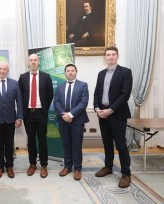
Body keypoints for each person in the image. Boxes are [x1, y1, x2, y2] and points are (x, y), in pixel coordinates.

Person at [93, 46, 133, 188]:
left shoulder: (125, 72)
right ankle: (108, 167)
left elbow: (125, 95)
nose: (110, 57)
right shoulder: (101, 74)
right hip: (102, 114)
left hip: (117, 114)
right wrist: (97, 108)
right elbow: (97, 93)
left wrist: (110, 110)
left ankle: (126, 174)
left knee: (121, 145)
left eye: (113, 54)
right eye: (108, 55)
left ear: (117, 56)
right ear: (105, 57)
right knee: (107, 143)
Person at [18, 53, 53, 178]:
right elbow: (19, 96)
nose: (33, 62)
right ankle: (32, 164)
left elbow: (50, 95)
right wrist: (21, 114)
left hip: (41, 113)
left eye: (35, 60)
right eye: (31, 60)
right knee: (31, 140)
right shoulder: (22, 77)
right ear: (28, 63)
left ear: (39, 62)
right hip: (28, 114)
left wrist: (44, 109)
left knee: (42, 140)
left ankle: (44, 165)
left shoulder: (46, 77)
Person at [53, 64, 89, 180]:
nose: (70, 72)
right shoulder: (60, 87)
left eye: (72, 70)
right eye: (68, 71)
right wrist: (64, 114)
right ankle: (67, 166)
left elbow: (84, 103)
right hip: (63, 121)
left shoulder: (83, 85)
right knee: (66, 144)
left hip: (77, 120)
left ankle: (77, 169)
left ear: (76, 72)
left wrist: (71, 114)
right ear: (65, 73)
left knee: (77, 145)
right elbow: (56, 102)